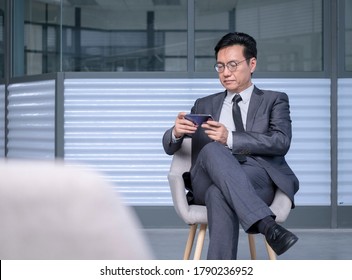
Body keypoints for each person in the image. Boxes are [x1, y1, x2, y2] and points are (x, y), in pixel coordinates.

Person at [162, 32, 299, 260]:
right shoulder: (204, 103)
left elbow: (281, 141)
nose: (226, 73)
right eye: (220, 66)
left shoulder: (274, 100)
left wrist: (231, 138)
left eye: (233, 65)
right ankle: (267, 225)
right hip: (206, 178)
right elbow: (170, 147)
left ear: (252, 63)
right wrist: (175, 132)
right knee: (212, 149)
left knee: (219, 193)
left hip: (256, 179)